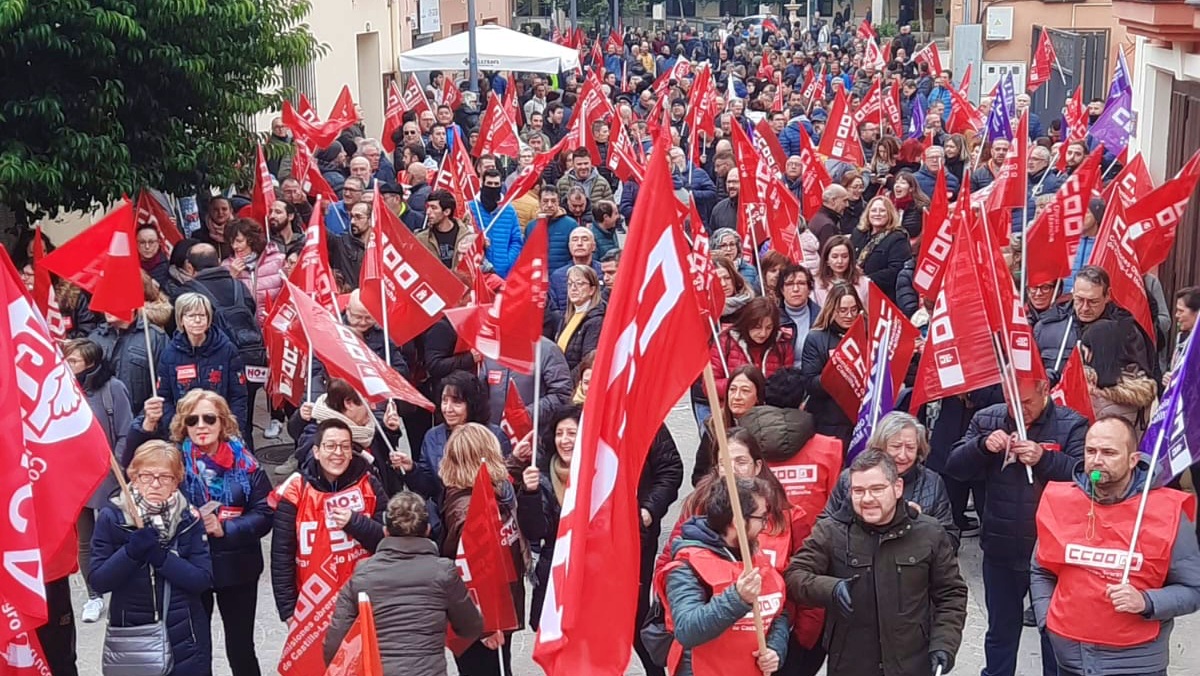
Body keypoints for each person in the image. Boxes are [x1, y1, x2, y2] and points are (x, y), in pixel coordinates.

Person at [1031, 415, 1200, 676]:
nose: (1097, 460)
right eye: (1091, 451)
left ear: (1133, 460)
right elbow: (1040, 569)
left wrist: (1147, 601)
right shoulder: (1060, 501)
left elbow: (1193, 589)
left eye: (1108, 452)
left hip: (1136, 662)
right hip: (1069, 659)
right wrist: (1047, 619)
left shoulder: (1166, 511)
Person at [945, 377, 1088, 676]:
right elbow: (955, 468)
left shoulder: (1072, 423)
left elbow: (1088, 479)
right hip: (1001, 546)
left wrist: (1045, 459)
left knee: (1055, 636)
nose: (1019, 411)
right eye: (1012, 402)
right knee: (1000, 633)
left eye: (1026, 403)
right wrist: (982, 446)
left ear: (1045, 391)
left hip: (1053, 554)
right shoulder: (988, 418)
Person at [785, 450, 968, 676]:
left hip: (912, 664)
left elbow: (951, 594)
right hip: (851, 664)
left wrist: (945, 644)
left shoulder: (929, 532)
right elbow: (794, 576)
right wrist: (831, 589)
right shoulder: (831, 531)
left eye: (877, 489)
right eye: (858, 491)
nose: (867, 498)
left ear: (897, 488)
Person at [132, 390, 272, 676]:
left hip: (237, 570)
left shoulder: (246, 463)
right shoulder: (172, 463)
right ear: (184, 424)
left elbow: (266, 513)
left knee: (241, 648)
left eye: (209, 418)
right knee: (193, 652)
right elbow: (133, 465)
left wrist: (226, 529)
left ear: (222, 422)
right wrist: (145, 424)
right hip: (189, 569)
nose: (201, 426)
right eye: (192, 420)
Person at [270, 419, 387, 673]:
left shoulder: (369, 482)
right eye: (331, 446)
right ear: (316, 451)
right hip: (313, 604)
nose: (338, 453)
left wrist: (356, 523)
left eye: (345, 447)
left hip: (362, 601)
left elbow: (387, 540)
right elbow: (281, 554)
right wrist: (288, 610)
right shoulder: (296, 489)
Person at [89, 441, 214, 676]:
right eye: (146, 476)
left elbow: (202, 579)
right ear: (133, 477)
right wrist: (130, 553)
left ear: (176, 481)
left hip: (185, 639)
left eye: (165, 477)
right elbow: (98, 581)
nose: (155, 484)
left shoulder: (189, 519)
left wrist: (162, 558)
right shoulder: (112, 517)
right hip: (133, 638)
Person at [323, 492, 483, 674]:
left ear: (385, 531)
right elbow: (471, 627)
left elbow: (335, 645)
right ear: (428, 530)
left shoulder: (363, 574)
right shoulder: (444, 572)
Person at [657, 476, 791, 676]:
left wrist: (774, 649)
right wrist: (737, 598)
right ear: (737, 521)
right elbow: (687, 629)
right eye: (761, 517)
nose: (765, 525)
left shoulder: (755, 555)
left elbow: (778, 614)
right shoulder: (686, 566)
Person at [436, 423, 528, 676]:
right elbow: (474, 573)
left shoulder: (476, 493)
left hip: (492, 616)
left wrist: (516, 462)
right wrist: (487, 626)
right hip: (485, 622)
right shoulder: (471, 513)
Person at [62, 338, 133, 623]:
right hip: (74, 479)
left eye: (74, 361)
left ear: (89, 364)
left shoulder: (113, 389)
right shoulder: (62, 390)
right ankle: (94, 595)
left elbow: (127, 431)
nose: (68, 366)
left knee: (115, 535)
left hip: (108, 477)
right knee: (85, 542)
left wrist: (112, 463)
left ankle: (121, 585)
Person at [821, 411, 959, 546]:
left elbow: (950, 539)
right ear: (880, 446)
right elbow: (824, 527)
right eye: (896, 446)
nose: (903, 455)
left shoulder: (932, 482)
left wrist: (920, 524)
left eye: (910, 448)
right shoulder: (850, 478)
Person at [398, 370, 512, 500]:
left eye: (456, 402)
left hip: (487, 510)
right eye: (444, 401)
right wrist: (412, 469)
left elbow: (505, 483)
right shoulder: (433, 436)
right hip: (446, 513)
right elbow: (429, 488)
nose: (448, 408)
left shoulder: (494, 436)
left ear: (472, 404)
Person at [153, 292, 249, 438]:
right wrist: (175, 427)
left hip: (221, 432)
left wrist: (231, 430)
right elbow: (164, 397)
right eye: (191, 316)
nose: (197, 320)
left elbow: (238, 395)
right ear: (181, 320)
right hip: (185, 432)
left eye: (202, 315)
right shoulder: (169, 354)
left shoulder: (226, 349)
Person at [289, 377, 406, 492]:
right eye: (367, 402)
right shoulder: (317, 437)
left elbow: (382, 462)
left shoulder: (364, 429)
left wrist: (389, 431)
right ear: (349, 404)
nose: (372, 407)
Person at [798, 282, 866, 447]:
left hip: (862, 419)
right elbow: (810, 383)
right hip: (829, 421)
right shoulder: (816, 338)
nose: (849, 315)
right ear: (831, 309)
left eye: (853, 309)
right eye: (842, 310)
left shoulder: (868, 333)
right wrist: (839, 374)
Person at [709, 296, 794, 397]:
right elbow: (710, 386)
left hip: (770, 409)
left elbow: (789, 384)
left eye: (769, 327)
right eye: (757, 327)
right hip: (735, 407)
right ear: (747, 323)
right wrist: (743, 387)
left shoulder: (782, 344)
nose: (763, 333)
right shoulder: (725, 341)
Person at [88, 307, 168, 412]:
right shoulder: (95, 337)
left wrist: (144, 419)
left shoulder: (154, 337)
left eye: (113, 303)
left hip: (142, 418)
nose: (107, 308)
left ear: (132, 307)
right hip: (101, 416)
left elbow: (164, 383)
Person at [220, 218, 286, 325]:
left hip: (274, 326)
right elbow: (223, 303)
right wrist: (231, 278)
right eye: (232, 242)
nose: (235, 246)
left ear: (252, 239)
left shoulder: (277, 260)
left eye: (239, 241)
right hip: (245, 329)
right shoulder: (226, 266)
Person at [851, 196, 912, 303]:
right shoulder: (858, 233)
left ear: (890, 214)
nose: (877, 214)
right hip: (854, 293)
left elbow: (896, 270)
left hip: (881, 295)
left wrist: (865, 279)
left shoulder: (898, 238)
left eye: (882, 211)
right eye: (873, 210)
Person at [468, 169, 524, 277]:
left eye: (496, 184)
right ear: (482, 183)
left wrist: (508, 261)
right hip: (477, 271)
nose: (492, 187)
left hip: (502, 272)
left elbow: (516, 240)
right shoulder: (471, 208)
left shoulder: (509, 210)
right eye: (489, 183)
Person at [554, 265, 607, 371]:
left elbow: (587, 361)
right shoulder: (566, 317)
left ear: (592, 290)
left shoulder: (596, 320)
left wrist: (567, 382)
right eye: (570, 284)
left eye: (580, 283)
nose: (573, 288)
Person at [813, 235, 869, 306]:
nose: (840, 261)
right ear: (827, 259)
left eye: (844, 256)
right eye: (835, 257)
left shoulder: (863, 282)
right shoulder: (816, 284)